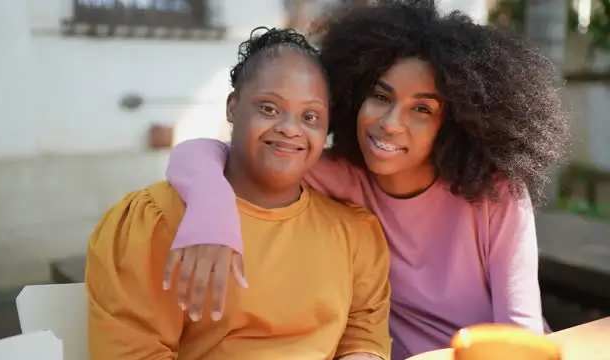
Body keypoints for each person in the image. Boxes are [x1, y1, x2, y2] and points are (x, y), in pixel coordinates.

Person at [161, 1, 570, 359]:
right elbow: (206, 154)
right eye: (380, 96)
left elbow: (520, 328)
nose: (390, 124)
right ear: (353, 95)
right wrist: (211, 212)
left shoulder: (495, 194)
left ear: (456, 122)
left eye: (422, 110)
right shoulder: (340, 175)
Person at [86, 27, 392, 360]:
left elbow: (363, 336)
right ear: (233, 107)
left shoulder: (353, 234)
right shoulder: (156, 221)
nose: (290, 128)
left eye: (310, 116)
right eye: (269, 109)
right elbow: (135, 350)